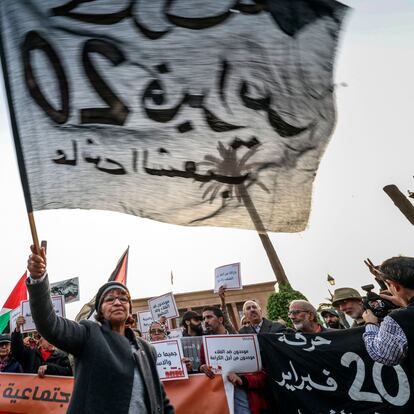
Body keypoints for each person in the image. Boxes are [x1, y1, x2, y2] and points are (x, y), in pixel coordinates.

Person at [26, 245, 174, 414]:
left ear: (129, 309)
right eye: (110, 299)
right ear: (100, 311)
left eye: (123, 299)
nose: (117, 302)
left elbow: (160, 398)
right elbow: (49, 324)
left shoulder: (147, 349)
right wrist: (38, 279)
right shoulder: (88, 335)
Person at [362, 256, 414, 372]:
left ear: (395, 286)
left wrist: (370, 323)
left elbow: (383, 354)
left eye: (388, 285)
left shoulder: (397, 319)